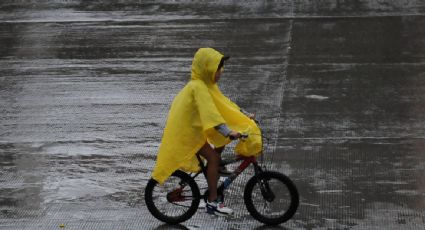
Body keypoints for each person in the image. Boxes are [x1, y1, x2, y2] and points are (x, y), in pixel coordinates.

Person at [151, 47, 261, 216]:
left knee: (220, 142)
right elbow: (211, 113)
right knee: (213, 156)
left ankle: (216, 169)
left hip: (193, 130)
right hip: (187, 134)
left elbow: (225, 104)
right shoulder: (198, 88)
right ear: (207, 68)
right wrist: (228, 131)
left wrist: (245, 115)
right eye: (218, 68)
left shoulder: (205, 85)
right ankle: (213, 201)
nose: (221, 72)